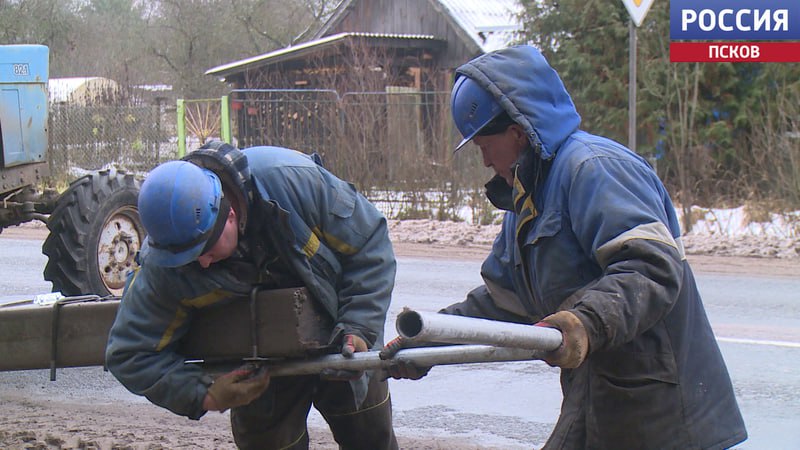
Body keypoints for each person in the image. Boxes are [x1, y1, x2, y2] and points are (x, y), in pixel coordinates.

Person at [383, 45, 747, 449]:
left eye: (485, 146)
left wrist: (584, 322)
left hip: (660, 407)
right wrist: (429, 342)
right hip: (598, 394)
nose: (484, 161)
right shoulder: (530, 199)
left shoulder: (594, 168)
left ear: (518, 132)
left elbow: (650, 268)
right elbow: (506, 303)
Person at [106, 141, 398, 450]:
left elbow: (370, 245)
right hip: (259, 373)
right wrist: (205, 392)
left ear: (229, 214)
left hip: (345, 339)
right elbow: (130, 354)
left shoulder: (291, 182)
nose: (201, 263)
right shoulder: (166, 260)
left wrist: (359, 327)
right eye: (187, 258)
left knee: (370, 435)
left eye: (204, 249)